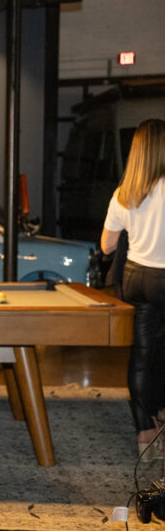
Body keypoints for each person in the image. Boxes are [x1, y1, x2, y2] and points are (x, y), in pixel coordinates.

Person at [100, 118, 165, 460]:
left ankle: (145, 433)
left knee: (141, 353)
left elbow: (107, 246)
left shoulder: (123, 194)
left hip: (136, 277)